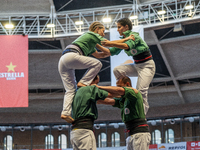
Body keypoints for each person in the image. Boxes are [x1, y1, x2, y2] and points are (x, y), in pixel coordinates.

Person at [58, 21, 134, 123]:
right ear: (97, 29)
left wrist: (113, 53)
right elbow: (106, 43)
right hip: (71, 55)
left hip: (63, 61)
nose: (103, 34)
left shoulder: (90, 42)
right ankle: (84, 82)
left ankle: (65, 113)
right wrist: (127, 39)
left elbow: (101, 54)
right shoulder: (91, 34)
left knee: (71, 90)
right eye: (102, 31)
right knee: (97, 64)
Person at [101, 17, 156, 114]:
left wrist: (109, 43)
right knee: (117, 70)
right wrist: (96, 47)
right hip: (137, 66)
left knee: (141, 91)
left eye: (119, 27)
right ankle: (125, 92)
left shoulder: (134, 35)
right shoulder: (123, 40)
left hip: (147, 66)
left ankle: (141, 115)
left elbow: (126, 46)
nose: (117, 30)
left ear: (126, 27)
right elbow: (109, 52)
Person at [96, 76, 151, 150]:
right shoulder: (123, 100)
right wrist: (92, 97)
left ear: (127, 84)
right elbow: (108, 101)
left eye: (119, 86)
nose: (117, 88)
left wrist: (98, 87)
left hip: (140, 133)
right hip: (131, 133)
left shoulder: (134, 93)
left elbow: (118, 90)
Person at [70, 75, 116, 150]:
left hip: (75, 132)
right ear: (92, 81)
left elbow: (107, 101)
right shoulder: (90, 89)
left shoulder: (77, 92)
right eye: (96, 83)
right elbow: (111, 95)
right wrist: (124, 92)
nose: (96, 85)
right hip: (84, 131)